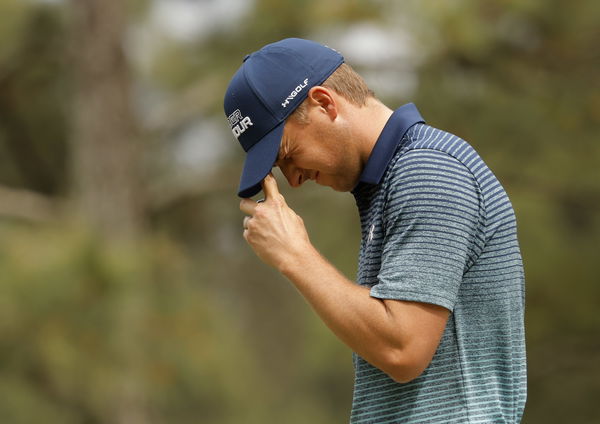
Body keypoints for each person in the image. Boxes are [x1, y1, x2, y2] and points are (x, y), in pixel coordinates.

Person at [223, 38, 526, 423]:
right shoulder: (391, 182)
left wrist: (295, 255)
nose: (294, 180)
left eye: (287, 155)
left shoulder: (428, 171)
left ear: (325, 103)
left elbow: (403, 350)